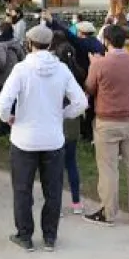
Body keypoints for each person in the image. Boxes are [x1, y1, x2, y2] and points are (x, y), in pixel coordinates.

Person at [0, 25, 86, 250]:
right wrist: (61, 115)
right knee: (53, 191)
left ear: (29, 44)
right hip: (53, 138)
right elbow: (80, 102)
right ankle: (49, 237)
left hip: (24, 139)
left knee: (22, 190)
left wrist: (8, 118)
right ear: (50, 44)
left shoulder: (21, 69)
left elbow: (4, 102)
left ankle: (25, 236)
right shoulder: (62, 70)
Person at [83, 25, 129, 227]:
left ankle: (108, 212)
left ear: (106, 41)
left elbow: (90, 88)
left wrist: (94, 64)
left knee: (108, 167)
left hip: (108, 119)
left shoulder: (100, 64)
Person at [51, 31, 88, 216]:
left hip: (57, 120)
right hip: (73, 121)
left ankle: (55, 203)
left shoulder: (56, 75)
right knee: (71, 162)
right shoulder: (79, 73)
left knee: (55, 166)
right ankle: (76, 202)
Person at [0, 22, 26, 137]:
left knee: (3, 101)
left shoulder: (0, 45)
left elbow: (0, 62)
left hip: (2, 78)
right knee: (14, 102)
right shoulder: (16, 44)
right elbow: (23, 59)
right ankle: (13, 126)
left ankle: (3, 127)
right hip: (15, 77)